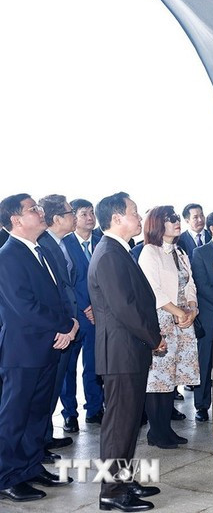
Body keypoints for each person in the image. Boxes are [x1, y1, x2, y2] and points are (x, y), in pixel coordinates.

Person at [0, 194, 78, 502]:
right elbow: (23, 306)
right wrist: (64, 324)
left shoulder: (39, 250)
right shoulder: (7, 256)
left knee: (38, 414)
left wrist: (70, 323)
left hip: (48, 344)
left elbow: (58, 293)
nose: (40, 212)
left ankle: (31, 468)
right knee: (13, 417)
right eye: (33, 209)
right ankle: (6, 477)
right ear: (16, 220)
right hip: (23, 352)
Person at [88, 192, 163, 511]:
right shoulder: (108, 253)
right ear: (117, 218)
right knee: (119, 424)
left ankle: (123, 478)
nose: (139, 216)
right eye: (134, 211)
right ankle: (111, 493)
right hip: (121, 352)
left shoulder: (119, 250)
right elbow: (125, 307)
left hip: (129, 350)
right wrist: (153, 337)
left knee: (130, 422)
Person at [137, 207, 200, 449]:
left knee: (173, 377)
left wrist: (192, 309)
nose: (176, 222)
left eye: (176, 219)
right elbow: (154, 291)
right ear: (156, 225)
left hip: (183, 320)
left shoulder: (180, 251)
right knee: (158, 379)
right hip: (163, 320)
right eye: (170, 219)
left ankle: (167, 429)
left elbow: (190, 283)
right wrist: (179, 312)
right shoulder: (149, 253)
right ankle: (157, 432)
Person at [37, 195, 79, 454]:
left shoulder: (63, 244)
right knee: (48, 389)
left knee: (55, 385)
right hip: (57, 329)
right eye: (70, 212)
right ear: (57, 219)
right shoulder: (44, 245)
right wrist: (64, 325)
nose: (74, 215)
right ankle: (40, 442)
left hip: (69, 324)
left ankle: (46, 436)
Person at [61, 199, 104, 428]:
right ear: (73, 217)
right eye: (84, 213)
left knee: (95, 365)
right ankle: (69, 413)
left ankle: (95, 409)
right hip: (74, 317)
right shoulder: (63, 244)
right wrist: (85, 307)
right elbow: (64, 282)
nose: (90, 217)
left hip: (98, 317)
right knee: (68, 368)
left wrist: (97, 308)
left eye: (92, 213)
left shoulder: (101, 242)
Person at [190, 210, 213, 422]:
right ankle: (201, 404)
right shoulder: (200, 253)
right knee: (205, 363)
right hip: (211, 316)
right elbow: (202, 286)